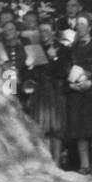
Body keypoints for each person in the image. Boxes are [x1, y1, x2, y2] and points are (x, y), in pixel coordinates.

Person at [64, 11, 92, 173]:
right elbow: (66, 69)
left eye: (83, 24)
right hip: (76, 92)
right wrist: (72, 85)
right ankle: (84, 164)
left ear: (91, 27)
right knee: (80, 130)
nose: (80, 27)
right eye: (77, 24)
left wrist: (91, 82)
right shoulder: (73, 48)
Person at [29, 21, 69, 165]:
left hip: (56, 90)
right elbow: (33, 75)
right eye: (40, 31)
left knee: (56, 128)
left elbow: (64, 72)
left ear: (53, 32)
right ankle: (46, 162)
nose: (43, 34)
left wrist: (54, 58)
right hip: (40, 92)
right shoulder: (35, 49)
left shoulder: (62, 49)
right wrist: (31, 66)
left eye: (46, 30)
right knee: (41, 127)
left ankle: (57, 162)